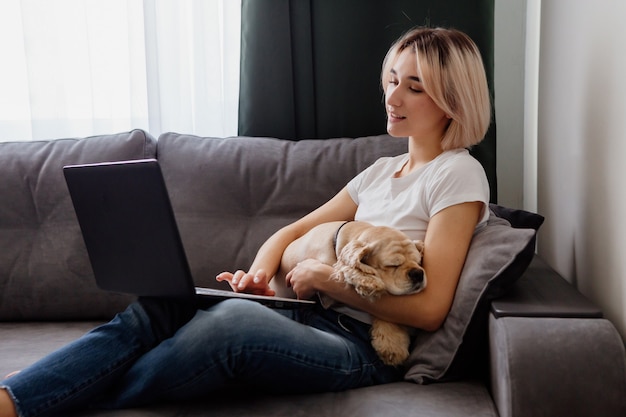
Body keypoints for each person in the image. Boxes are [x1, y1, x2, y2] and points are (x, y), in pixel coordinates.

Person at [0, 26, 491, 417]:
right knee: (162, 306)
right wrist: (258, 278)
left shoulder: (457, 175)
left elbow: (430, 310)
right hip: (312, 315)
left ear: (451, 99)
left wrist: (329, 281)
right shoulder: (383, 170)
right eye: (391, 80)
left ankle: (61, 399)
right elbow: (291, 233)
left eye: (414, 87)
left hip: (364, 347)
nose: (393, 97)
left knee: (231, 325)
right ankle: (13, 399)